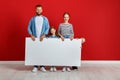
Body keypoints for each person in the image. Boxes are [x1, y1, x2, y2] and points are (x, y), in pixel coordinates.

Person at [28, 4, 50, 73]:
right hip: (34, 38)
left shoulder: (45, 19)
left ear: (42, 10)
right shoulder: (32, 19)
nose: (39, 10)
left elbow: (47, 27)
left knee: (43, 51)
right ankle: (35, 66)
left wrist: (44, 35)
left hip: (42, 38)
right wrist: (31, 35)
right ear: (35, 10)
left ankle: (42, 66)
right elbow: (29, 27)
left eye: (40, 9)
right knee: (35, 51)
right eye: (37, 9)